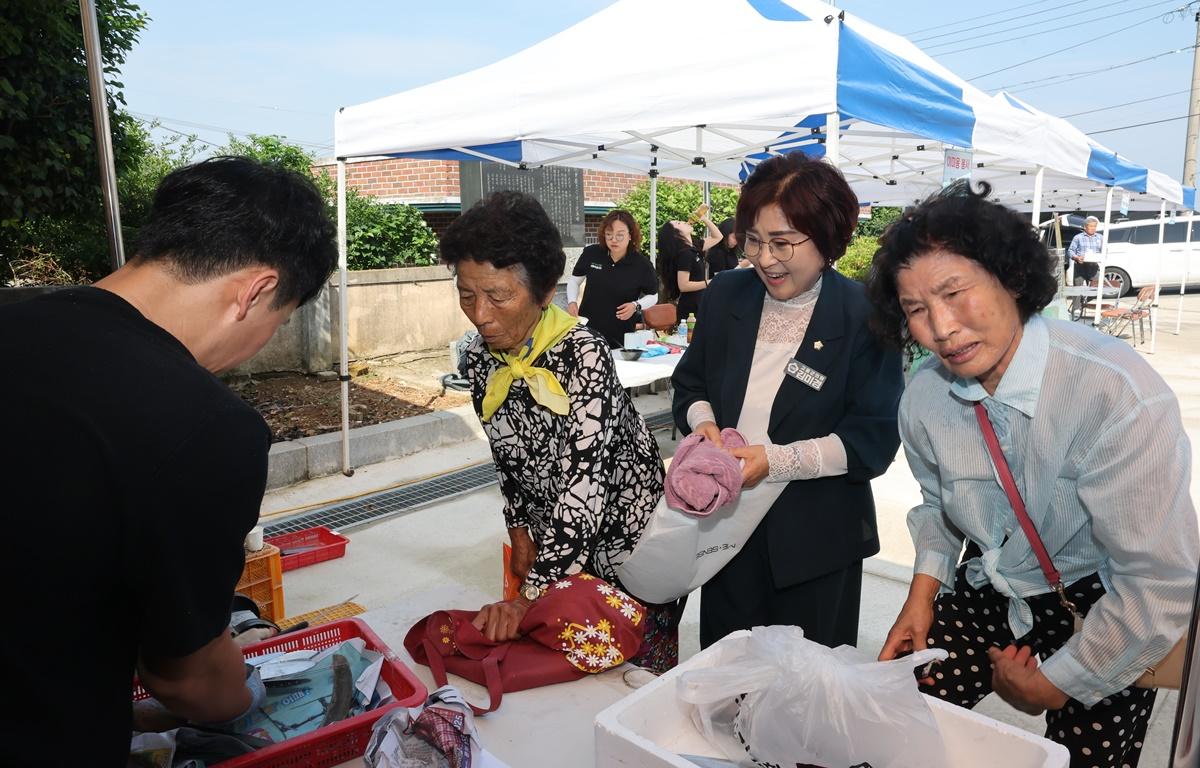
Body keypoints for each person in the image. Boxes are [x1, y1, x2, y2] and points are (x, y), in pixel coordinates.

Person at [0, 157, 338, 767]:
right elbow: (186, 680)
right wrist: (236, 694)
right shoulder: (205, 426)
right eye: (278, 321)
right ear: (255, 291)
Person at [866, 182, 1198, 768]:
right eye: (916, 309)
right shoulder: (924, 396)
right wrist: (921, 598)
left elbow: (1156, 581)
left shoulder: (1114, 391)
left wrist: (1054, 684)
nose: (941, 328)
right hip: (994, 585)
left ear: (1012, 279)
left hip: (1101, 600)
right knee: (892, 726)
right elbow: (939, 507)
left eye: (955, 292)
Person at [440, 191, 684, 672]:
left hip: (627, 541)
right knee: (560, 675)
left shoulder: (583, 354)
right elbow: (506, 453)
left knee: (629, 676)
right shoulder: (479, 355)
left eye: (498, 296)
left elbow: (585, 483)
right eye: (467, 295)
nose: (481, 314)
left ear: (546, 292)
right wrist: (519, 525)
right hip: (557, 535)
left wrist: (532, 594)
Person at [671, 152, 904, 650]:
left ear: (827, 239)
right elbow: (691, 384)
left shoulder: (864, 315)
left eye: (782, 243)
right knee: (727, 674)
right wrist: (704, 424)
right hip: (726, 531)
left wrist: (774, 462)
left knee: (803, 688)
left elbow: (873, 438)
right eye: (753, 240)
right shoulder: (727, 296)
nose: (764, 258)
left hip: (816, 540)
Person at [566, 209, 658, 348]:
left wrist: (635, 306)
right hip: (587, 329)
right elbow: (574, 280)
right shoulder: (592, 253)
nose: (613, 240)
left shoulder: (642, 264)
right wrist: (572, 302)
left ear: (630, 235)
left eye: (620, 235)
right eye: (609, 235)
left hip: (620, 332)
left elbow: (653, 295)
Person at [657, 220, 708, 322]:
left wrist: (704, 219)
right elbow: (683, 285)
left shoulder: (694, 247)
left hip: (699, 301)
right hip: (691, 306)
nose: (684, 222)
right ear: (676, 234)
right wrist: (708, 282)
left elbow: (718, 237)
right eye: (678, 223)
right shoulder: (685, 254)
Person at [1067, 215, 1103, 317]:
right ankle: (1076, 311)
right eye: (1090, 227)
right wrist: (1076, 258)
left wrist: (1100, 257)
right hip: (1080, 266)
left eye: (1094, 227)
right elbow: (1070, 251)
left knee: (1096, 288)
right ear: (1085, 227)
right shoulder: (1078, 237)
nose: (1092, 229)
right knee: (1077, 289)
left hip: (1093, 267)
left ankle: (1084, 301)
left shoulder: (1100, 237)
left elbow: (1104, 251)